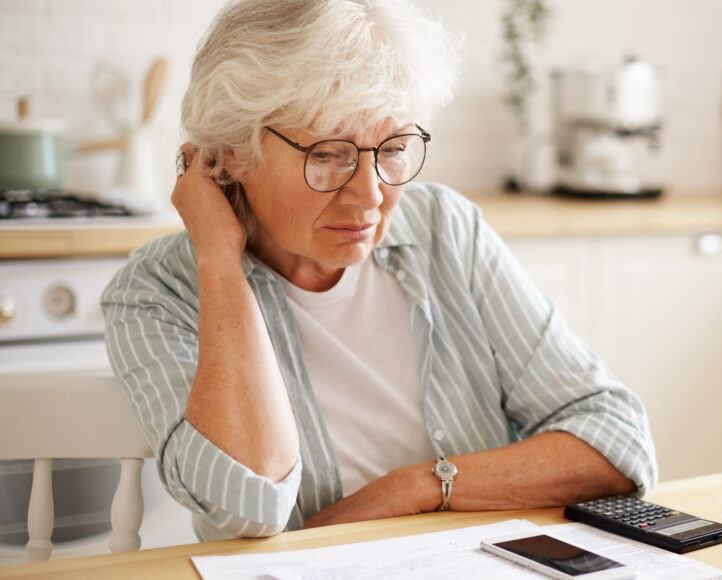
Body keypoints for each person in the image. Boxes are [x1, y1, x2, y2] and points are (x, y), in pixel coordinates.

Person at [101, 0, 657, 542]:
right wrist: (219, 260)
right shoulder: (156, 292)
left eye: (392, 148)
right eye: (326, 154)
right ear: (229, 153)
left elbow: (617, 442)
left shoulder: (444, 229)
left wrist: (417, 487)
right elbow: (248, 507)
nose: (371, 195)